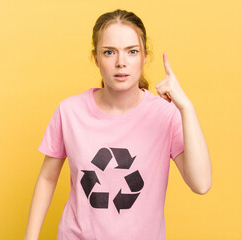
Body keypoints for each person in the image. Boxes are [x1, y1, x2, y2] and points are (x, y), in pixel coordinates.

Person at [24, 9, 212, 240]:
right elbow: (47, 178)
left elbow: (201, 184)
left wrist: (187, 108)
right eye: (109, 52)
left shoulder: (165, 115)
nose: (121, 63)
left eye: (131, 51)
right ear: (96, 58)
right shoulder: (69, 111)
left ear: (144, 57)